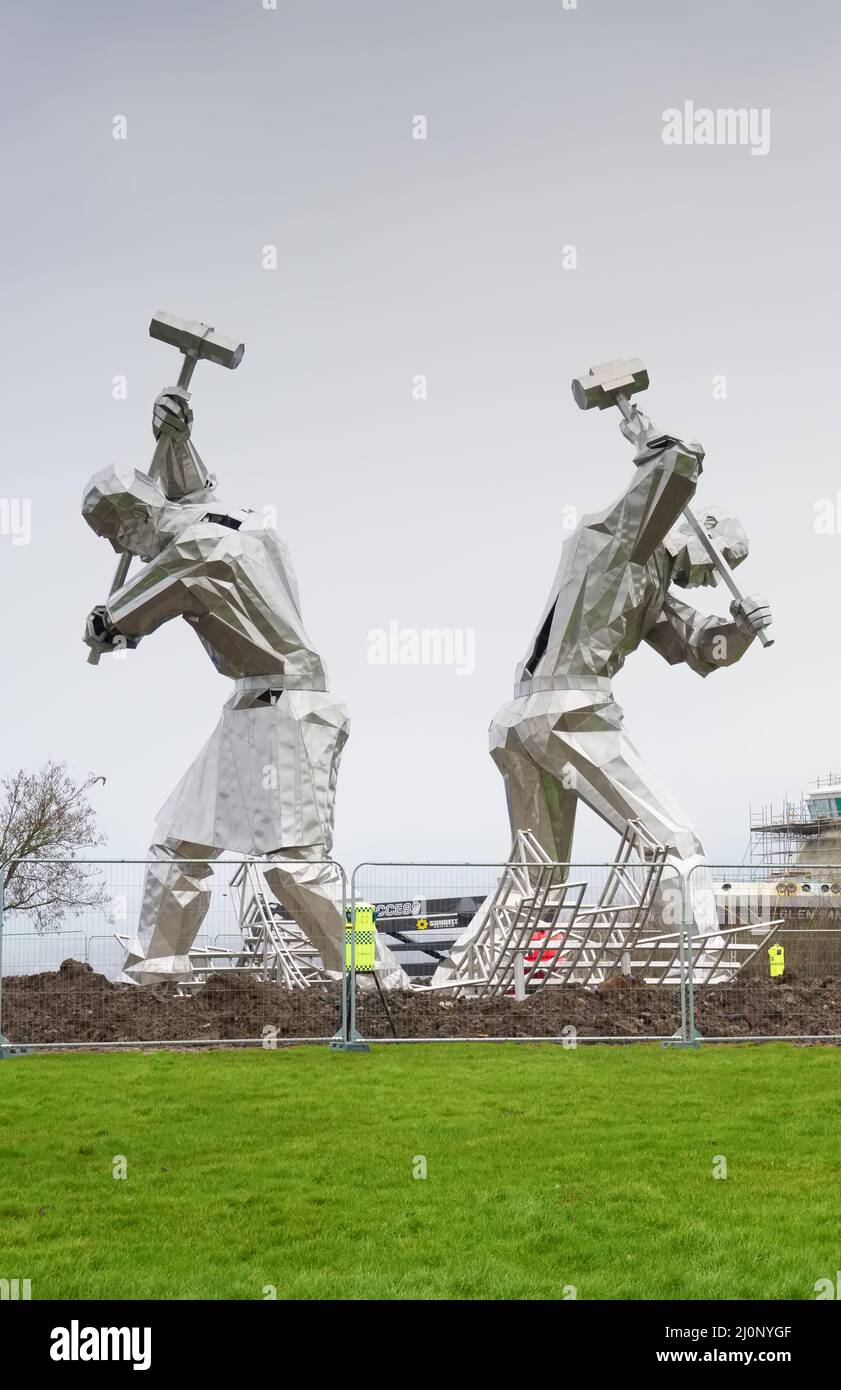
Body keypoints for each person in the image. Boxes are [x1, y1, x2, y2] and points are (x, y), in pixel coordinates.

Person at [82, 387, 403, 986]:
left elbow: (125, 619)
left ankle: (378, 980)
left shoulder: (194, 550)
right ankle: (158, 973)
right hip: (249, 707)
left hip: (291, 711)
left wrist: (103, 626)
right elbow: (194, 492)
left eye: (114, 536)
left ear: (130, 519)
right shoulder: (227, 518)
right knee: (178, 843)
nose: (120, 547)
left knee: (299, 871)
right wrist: (177, 437)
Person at [489, 402, 772, 933]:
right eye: (724, 558)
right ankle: (688, 976)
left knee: (536, 879)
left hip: (522, 721)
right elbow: (667, 479)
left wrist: (742, 629)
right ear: (698, 526)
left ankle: (465, 984)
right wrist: (662, 450)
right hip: (571, 708)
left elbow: (702, 646)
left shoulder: (650, 583)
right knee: (676, 845)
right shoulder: (617, 545)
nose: (717, 576)